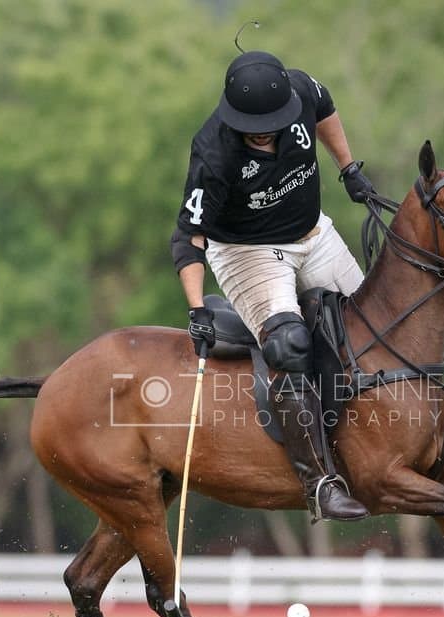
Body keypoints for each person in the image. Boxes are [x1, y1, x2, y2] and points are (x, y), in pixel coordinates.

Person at [170, 50, 376, 521]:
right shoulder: (214, 153)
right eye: (251, 125)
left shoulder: (301, 89)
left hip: (314, 233)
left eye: (270, 123)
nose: (261, 133)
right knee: (288, 344)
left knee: (368, 329)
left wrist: (348, 167)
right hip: (247, 251)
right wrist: (197, 307)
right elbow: (189, 236)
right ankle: (319, 482)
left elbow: (326, 109)